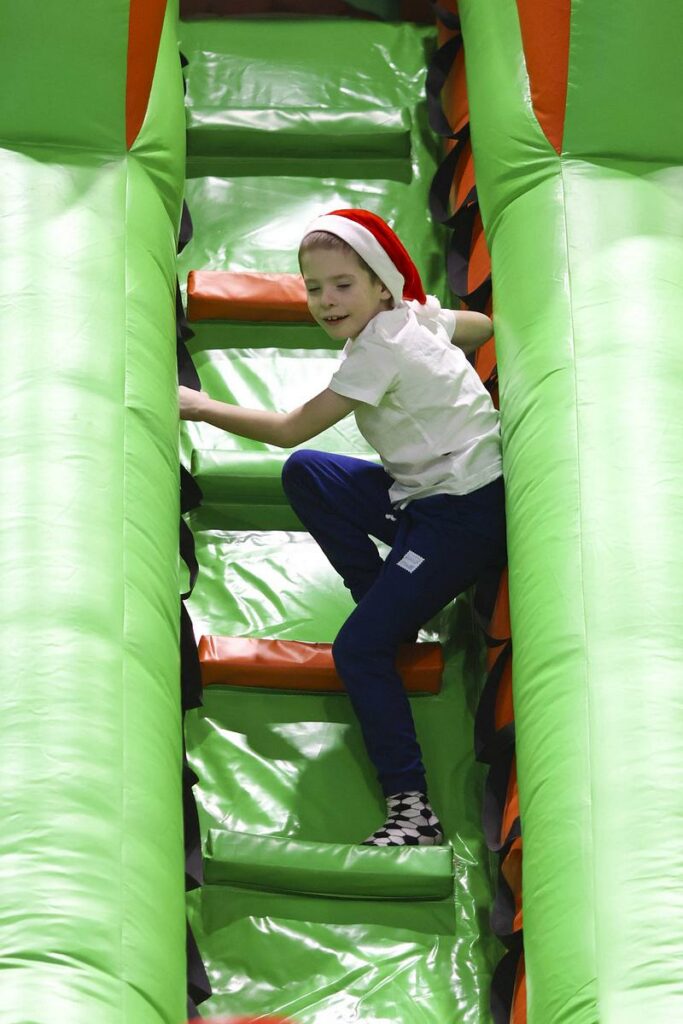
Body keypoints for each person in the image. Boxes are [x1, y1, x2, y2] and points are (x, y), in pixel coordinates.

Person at [179, 209, 506, 847]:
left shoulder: (383, 348)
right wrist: (436, 327)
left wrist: (199, 406)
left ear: (382, 284)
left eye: (342, 285)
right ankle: (388, 606)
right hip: (423, 497)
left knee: (358, 649)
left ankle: (413, 811)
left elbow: (288, 428)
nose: (326, 301)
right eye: (314, 288)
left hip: (461, 517)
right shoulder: (408, 318)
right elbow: (481, 326)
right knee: (310, 474)